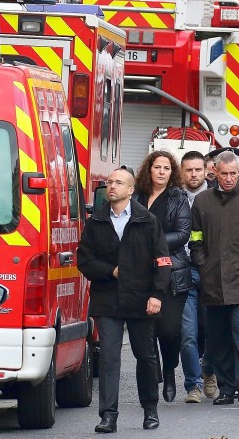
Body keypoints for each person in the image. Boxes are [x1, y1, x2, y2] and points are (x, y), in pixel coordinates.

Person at [77, 167, 171, 433]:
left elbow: (163, 261)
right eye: (109, 182)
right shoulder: (96, 221)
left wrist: (156, 295)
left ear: (131, 190)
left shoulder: (147, 220)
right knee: (108, 357)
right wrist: (110, 271)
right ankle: (108, 415)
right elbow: (84, 260)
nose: (112, 186)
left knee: (146, 356)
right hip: (108, 300)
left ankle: (150, 409)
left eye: (119, 183)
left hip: (142, 299)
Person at [189, 150, 239, 405]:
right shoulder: (202, 202)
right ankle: (226, 389)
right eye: (223, 174)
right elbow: (196, 238)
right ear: (214, 172)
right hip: (213, 283)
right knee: (218, 339)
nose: (228, 178)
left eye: (233, 173)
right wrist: (203, 265)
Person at [133, 151, 192, 404]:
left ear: (172, 172)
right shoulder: (136, 196)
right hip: (139, 273)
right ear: (149, 169)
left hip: (172, 272)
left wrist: (151, 245)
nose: (161, 172)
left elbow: (182, 234)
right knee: (147, 330)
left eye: (166, 168)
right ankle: (153, 374)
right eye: (157, 167)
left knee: (169, 330)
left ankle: (169, 370)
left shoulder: (179, 198)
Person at [179, 151, 217, 403]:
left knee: (212, 330)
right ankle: (192, 384)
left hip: (211, 271)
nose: (194, 174)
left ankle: (210, 372)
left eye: (197, 170)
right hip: (183, 271)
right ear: (182, 172)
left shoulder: (215, 197)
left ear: (206, 171)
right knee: (188, 333)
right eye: (189, 170)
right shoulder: (174, 198)